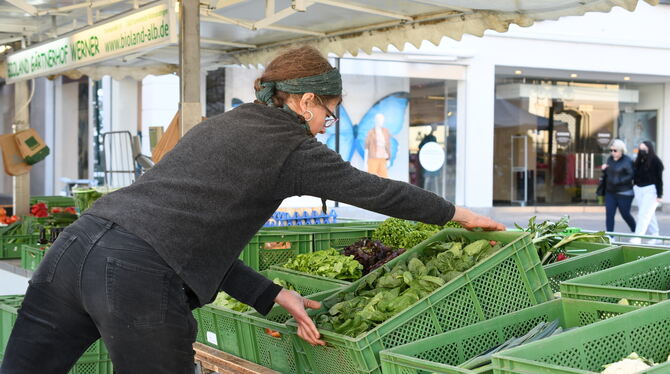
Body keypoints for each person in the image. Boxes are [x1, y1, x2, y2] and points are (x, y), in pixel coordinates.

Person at [0, 46, 504, 374]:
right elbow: (375, 191)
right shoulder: (291, 145)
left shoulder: (227, 123)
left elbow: (186, 234)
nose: (328, 124)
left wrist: (271, 294)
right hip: (134, 274)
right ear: (306, 102)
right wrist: (457, 213)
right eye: (329, 113)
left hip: (75, 250)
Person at [597, 139, 636, 233]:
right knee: (609, 214)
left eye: (615, 150)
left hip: (624, 192)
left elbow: (631, 175)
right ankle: (610, 236)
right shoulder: (610, 159)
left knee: (625, 214)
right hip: (610, 192)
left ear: (621, 150)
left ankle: (636, 231)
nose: (612, 152)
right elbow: (609, 173)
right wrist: (604, 169)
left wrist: (618, 181)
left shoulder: (627, 160)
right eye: (611, 150)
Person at [631, 140, 664, 244]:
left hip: (651, 190)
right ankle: (656, 235)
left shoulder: (655, 161)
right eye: (640, 149)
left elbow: (659, 179)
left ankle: (637, 237)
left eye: (644, 149)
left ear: (649, 148)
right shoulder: (639, 160)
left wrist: (659, 194)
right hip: (639, 189)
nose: (642, 151)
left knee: (643, 215)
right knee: (649, 214)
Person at [365, 113, 391, 178]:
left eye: (382, 119)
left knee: (385, 178)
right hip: (373, 158)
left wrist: (389, 159)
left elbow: (388, 145)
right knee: (371, 178)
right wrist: (365, 162)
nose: (381, 121)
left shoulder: (385, 131)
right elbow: (366, 147)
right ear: (375, 120)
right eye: (379, 119)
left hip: (383, 158)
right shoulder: (371, 132)